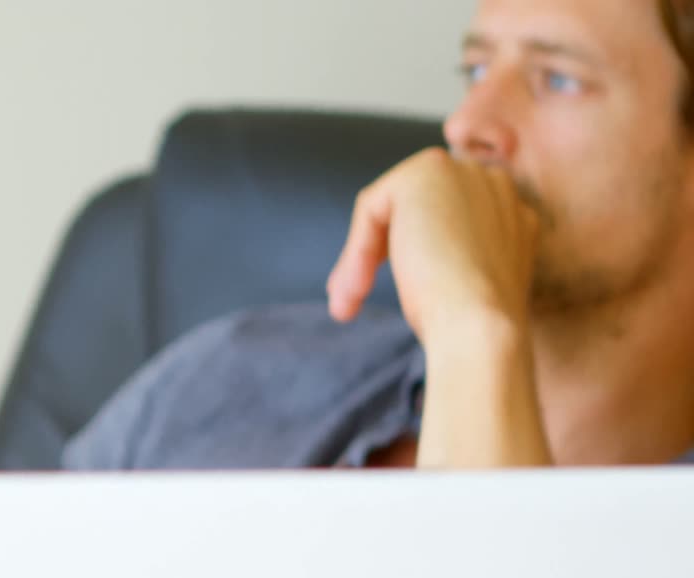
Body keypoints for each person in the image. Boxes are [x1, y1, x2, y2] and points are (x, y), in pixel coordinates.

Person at [65, 0, 694, 471]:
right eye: (476, 70)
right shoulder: (220, 381)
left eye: (557, 79)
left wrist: (470, 330)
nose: (467, 125)